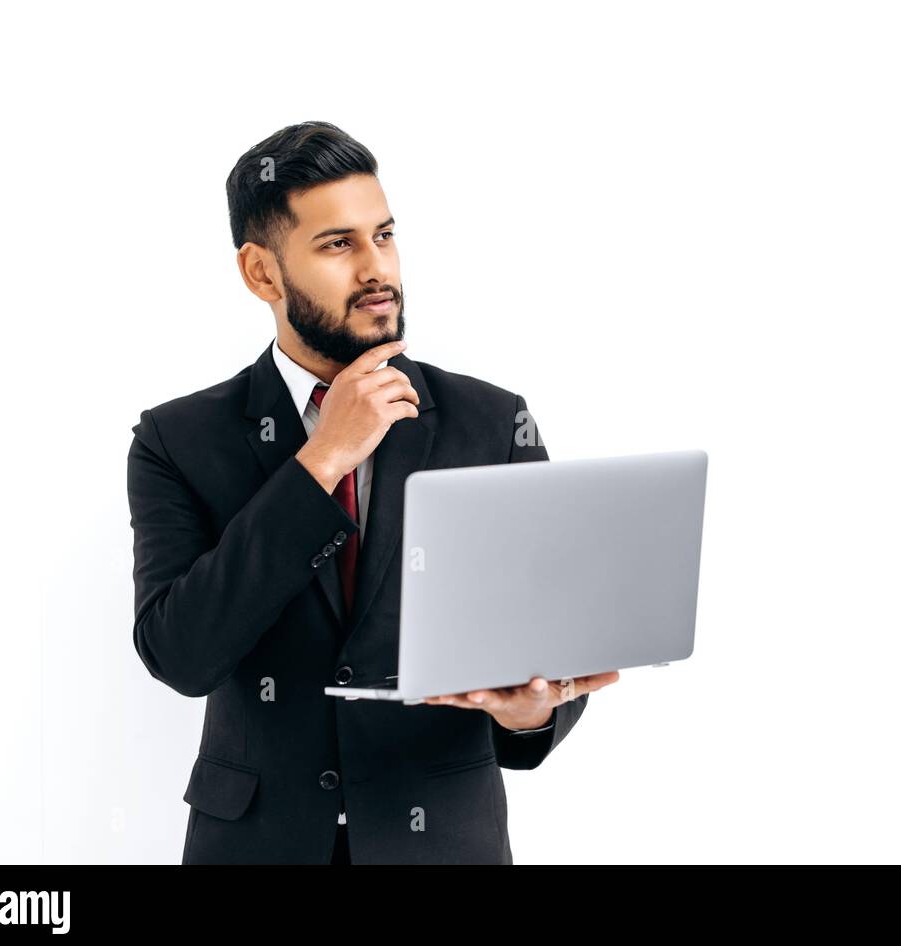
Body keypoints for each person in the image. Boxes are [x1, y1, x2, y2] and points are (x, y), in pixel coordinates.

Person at [127, 121, 618, 864]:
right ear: (261, 273)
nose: (376, 268)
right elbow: (181, 655)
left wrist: (532, 712)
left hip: (444, 840)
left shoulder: (491, 422)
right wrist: (319, 463)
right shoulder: (177, 440)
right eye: (338, 245)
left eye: (383, 236)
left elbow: (548, 636)